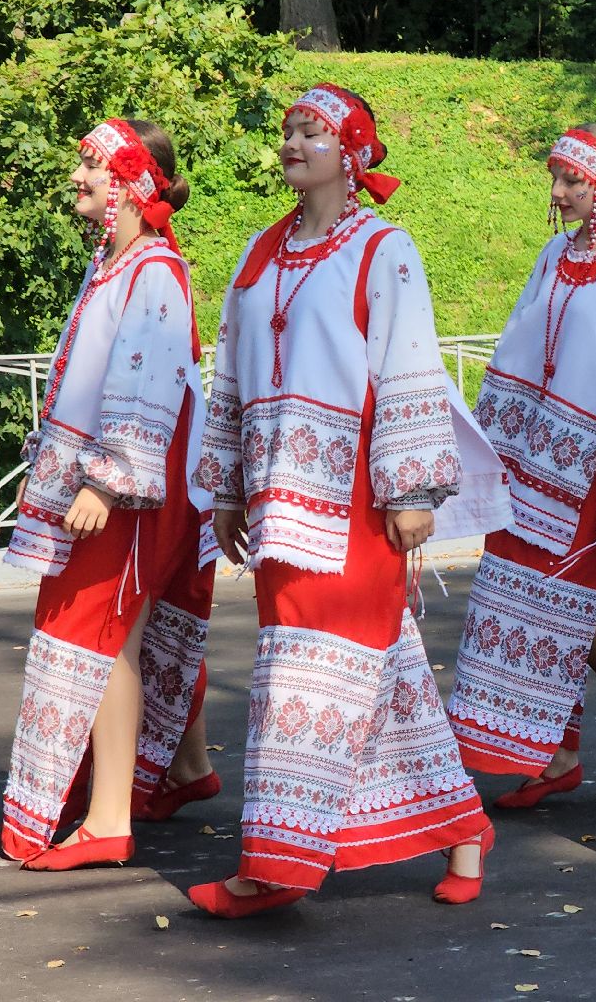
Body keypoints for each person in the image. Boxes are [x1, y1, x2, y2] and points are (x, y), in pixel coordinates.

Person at [186, 84, 513, 917]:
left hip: (355, 507)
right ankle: (464, 825)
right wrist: (225, 485)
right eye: (289, 130)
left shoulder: (384, 248)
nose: (293, 142)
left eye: (313, 131)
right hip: (275, 504)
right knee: (375, 671)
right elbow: (230, 374)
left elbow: (410, 367)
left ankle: (272, 869)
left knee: (309, 675)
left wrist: (412, 490)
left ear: (354, 152)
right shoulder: (259, 254)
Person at [1, 118, 218, 867]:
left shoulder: (151, 268)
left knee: (102, 633)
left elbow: (145, 382)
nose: (76, 177)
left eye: (90, 166)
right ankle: (179, 769)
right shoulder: (120, 263)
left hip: (130, 485)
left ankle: (109, 819)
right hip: (131, 477)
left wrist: (108, 479)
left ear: (131, 182)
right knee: (132, 631)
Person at [448, 124, 596, 807]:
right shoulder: (555, 253)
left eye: (572, 181)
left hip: (592, 468)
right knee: (531, 595)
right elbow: (520, 338)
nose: (558, 192)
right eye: (557, 179)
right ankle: (561, 754)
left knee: (567, 610)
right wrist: (491, 446)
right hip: (530, 455)